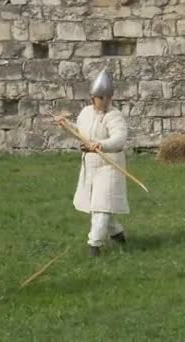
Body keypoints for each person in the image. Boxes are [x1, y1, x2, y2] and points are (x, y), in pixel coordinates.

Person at [57, 68, 129, 257]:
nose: (101, 101)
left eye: (104, 98)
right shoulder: (86, 112)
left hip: (110, 167)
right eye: (98, 98)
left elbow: (119, 139)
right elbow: (81, 133)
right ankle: (118, 234)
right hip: (91, 168)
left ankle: (93, 247)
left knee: (101, 207)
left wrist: (100, 145)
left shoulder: (114, 116)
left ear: (109, 97)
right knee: (99, 206)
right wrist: (66, 125)